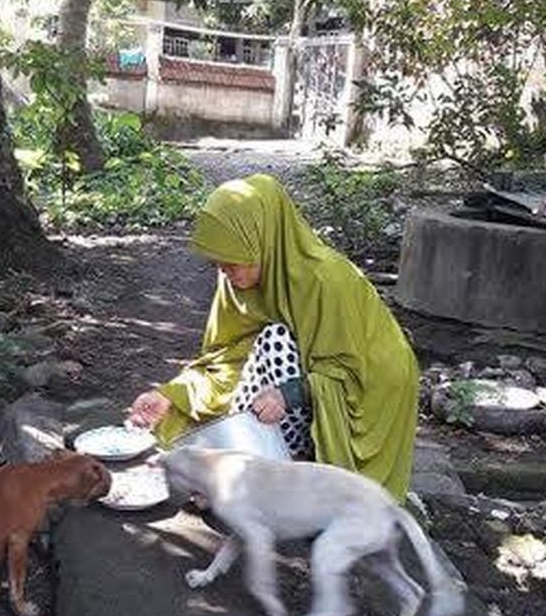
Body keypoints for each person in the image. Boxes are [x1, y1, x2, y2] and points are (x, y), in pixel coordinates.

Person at [128, 173, 419, 502]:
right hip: (289, 390)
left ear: (263, 241)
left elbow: (352, 372)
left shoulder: (326, 278)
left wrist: (292, 393)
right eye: (219, 264)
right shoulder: (235, 283)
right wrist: (171, 396)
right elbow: (227, 362)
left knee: (275, 338)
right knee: (271, 343)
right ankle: (260, 464)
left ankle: (280, 470)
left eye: (233, 263)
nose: (226, 273)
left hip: (374, 387)